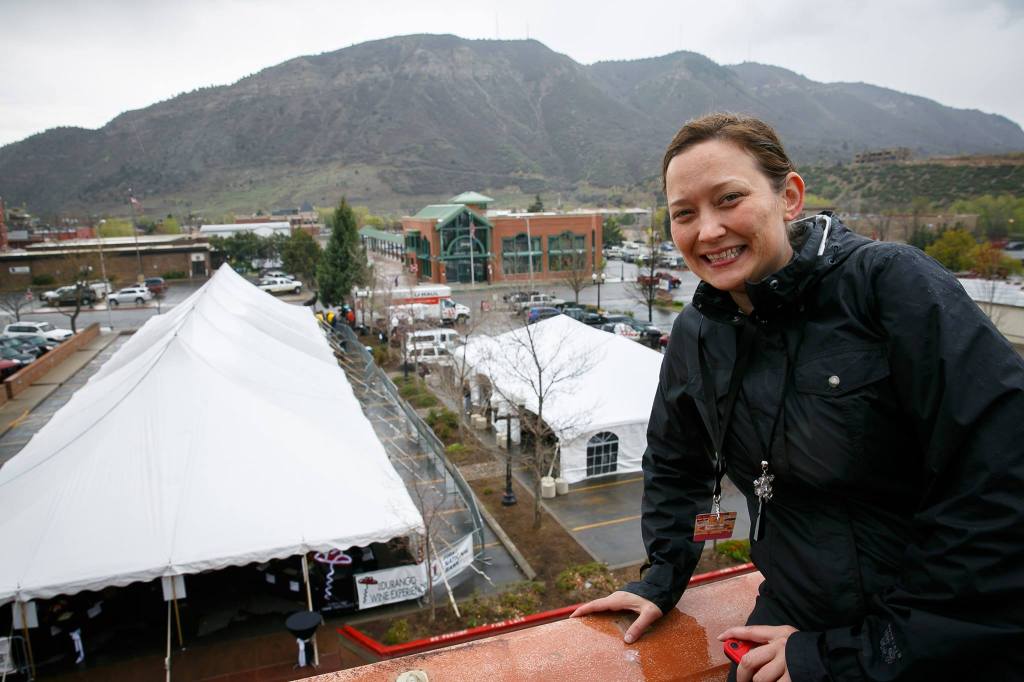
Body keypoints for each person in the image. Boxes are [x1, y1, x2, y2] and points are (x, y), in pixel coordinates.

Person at [572, 113, 1024, 680]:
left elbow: (999, 482)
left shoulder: (887, 286)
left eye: (729, 199)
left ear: (789, 196)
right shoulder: (697, 332)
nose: (707, 230)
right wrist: (661, 579)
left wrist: (861, 651)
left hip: (923, 634)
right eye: (684, 213)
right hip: (795, 616)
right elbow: (675, 464)